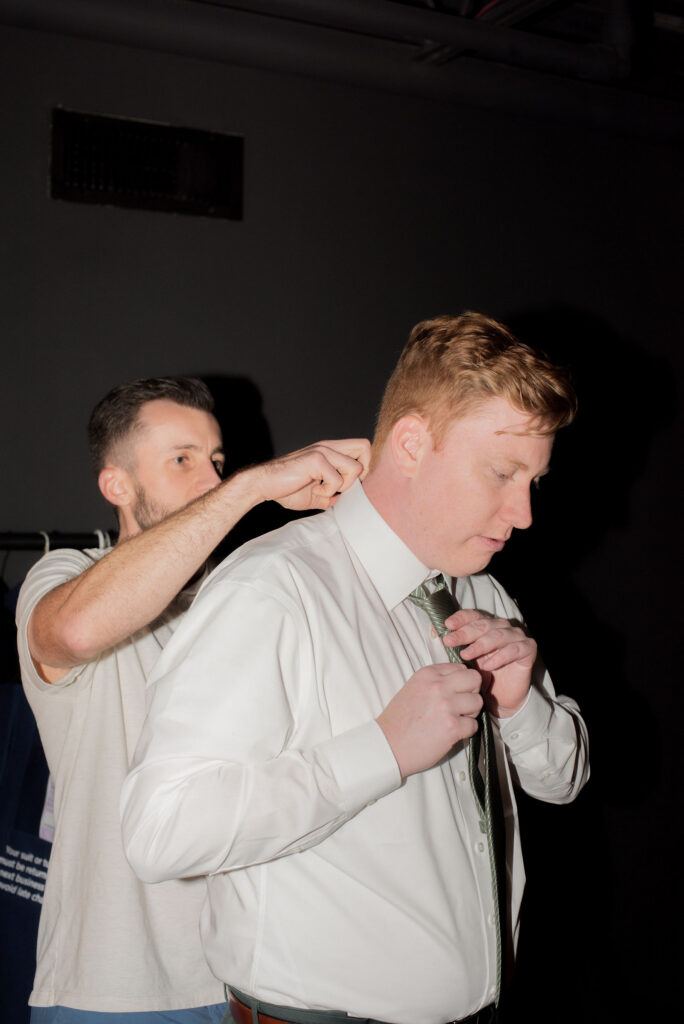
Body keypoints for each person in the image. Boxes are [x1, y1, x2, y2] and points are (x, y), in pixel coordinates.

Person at [121, 315, 590, 1024]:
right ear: (411, 443)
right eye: (501, 473)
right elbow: (162, 830)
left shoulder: (484, 593)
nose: (523, 513)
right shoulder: (274, 590)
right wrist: (383, 749)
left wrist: (524, 708)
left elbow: (562, 781)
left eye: (534, 481)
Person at [16, 375, 371, 1024]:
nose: (210, 477)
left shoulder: (245, 596)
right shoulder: (65, 574)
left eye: (216, 460)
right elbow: (73, 631)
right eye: (181, 459)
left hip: (247, 982)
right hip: (113, 991)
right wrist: (250, 488)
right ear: (117, 485)